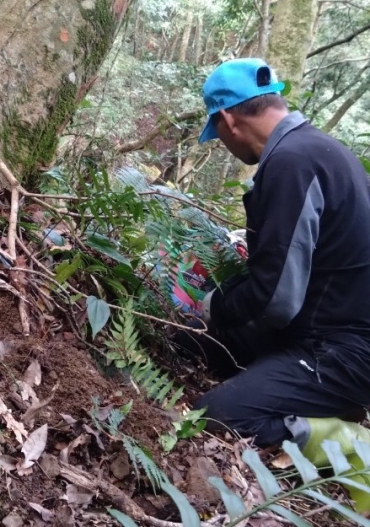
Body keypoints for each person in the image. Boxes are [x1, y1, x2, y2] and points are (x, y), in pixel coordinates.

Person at [173, 57, 370, 512]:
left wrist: (212, 306)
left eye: (216, 133)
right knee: (187, 344)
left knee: (216, 417)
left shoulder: (291, 164)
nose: (221, 143)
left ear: (227, 119)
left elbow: (277, 299)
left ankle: (342, 437)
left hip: (339, 351)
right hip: (314, 326)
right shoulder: (322, 150)